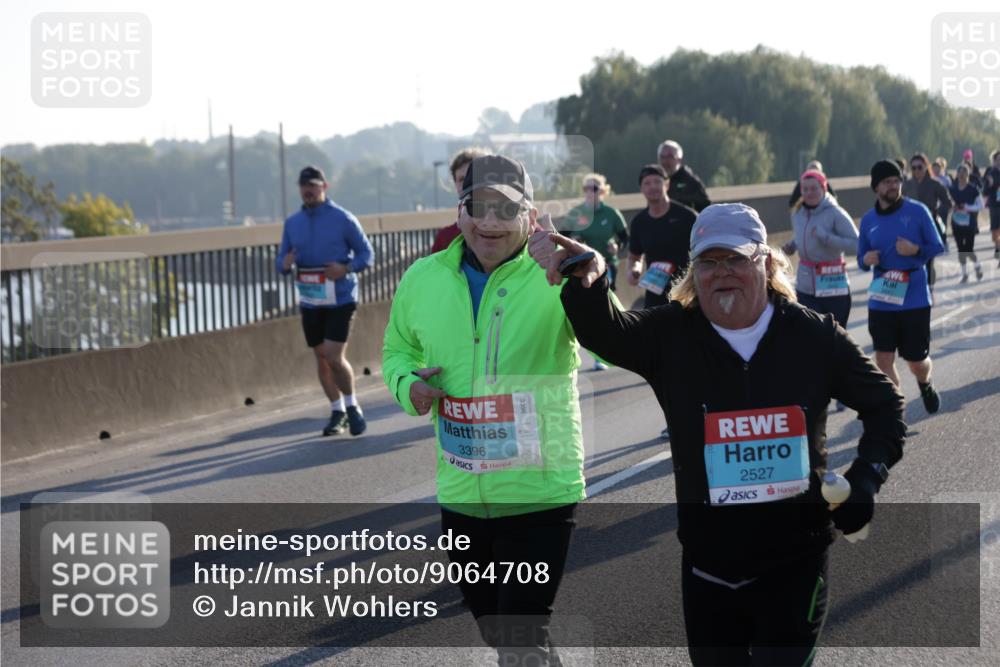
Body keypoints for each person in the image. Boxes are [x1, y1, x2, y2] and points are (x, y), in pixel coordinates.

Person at [532, 202, 906, 667]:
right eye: (708, 262)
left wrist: (866, 480)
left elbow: (885, 406)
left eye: (735, 258)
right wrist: (587, 279)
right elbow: (606, 331)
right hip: (709, 569)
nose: (721, 272)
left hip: (796, 561)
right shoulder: (672, 334)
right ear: (694, 271)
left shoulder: (814, 337)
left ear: (765, 262)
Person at [382, 155, 584, 666]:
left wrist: (587, 274)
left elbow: (613, 336)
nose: (490, 221)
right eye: (478, 206)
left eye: (506, 209)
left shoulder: (555, 274)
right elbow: (396, 349)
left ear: (530, 216)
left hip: (539, 492)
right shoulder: (424, 277)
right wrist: (408, 385)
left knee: (519, 638)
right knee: (500, 632)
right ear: (460, 210)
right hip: (462, 493)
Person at [276, 166, 374, 437]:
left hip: (341, 298)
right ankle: (337, 411)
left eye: (313, 185)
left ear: (324, 187)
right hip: (311, 300)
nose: (308, 190)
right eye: (304, 186)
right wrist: (284, 264)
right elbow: (281, 261)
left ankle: (352, 406)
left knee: (333, 355)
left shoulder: (342, 218)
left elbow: (367, 254)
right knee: (321, 358)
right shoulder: (292, 223)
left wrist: (346, 268)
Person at [858, 160, 944, 413]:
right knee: (883, 360)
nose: (893, 186)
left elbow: (937, 246)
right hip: (882, 296)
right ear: (876, 187)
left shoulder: (918, 211)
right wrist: (865, 259)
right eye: (887, 182)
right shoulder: (868, 220)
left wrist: (915, 250)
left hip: (914, 296)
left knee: (917, 362)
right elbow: (861, 258)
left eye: (897, 181)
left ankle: (925, 383)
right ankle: (896, 412)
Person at [559, 172, 628, 371]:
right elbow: (562, 237)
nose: (590, 192)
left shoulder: (612, 213)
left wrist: (617, 246)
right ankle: (596, 348)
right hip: (582, 269)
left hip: (607, 266)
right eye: (586, 188)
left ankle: (608, 349)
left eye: (594, 188)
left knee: (603, 302)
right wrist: (573, 242)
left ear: (603, 191)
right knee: (587, 306)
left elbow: (624, 237)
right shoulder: (576, 213)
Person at [782, 169, 858, 329]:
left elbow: (857, 244)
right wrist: (792, 245)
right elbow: (801, 234)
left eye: (814, 188)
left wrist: (827, 238)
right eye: (805, 189)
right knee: (810, 335)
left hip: (833, 285)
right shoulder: (797, 213)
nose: (809, 193)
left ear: (823, 189)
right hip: (805, 287)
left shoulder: (835, 213)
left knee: (834, 336)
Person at [627, 164, 698, 309]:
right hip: (655, 293)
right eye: (647, 183)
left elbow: (704, 248)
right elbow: (634, 256)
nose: (653, 186)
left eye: (657, 181)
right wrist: (634, 271)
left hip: (686, 291)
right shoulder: (639, 222)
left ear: (667, 184)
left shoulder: (687, 217)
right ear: (641, 189)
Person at [902, 153, 951, 287]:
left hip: (930, 226)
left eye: (920, 167)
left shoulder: (934, 184)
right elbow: (898, 203)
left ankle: (929, 287)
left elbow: (947, 202)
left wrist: (937, 213)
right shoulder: (907, 185)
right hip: (911, 227)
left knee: (928, 259)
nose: (917, 171)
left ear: (926, 167)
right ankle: (916, 285)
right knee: (911, 259)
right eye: (914, 168)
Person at [430, 147, 491, 254]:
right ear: (455, 184)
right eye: (462, 179)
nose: (467, 183)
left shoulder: (507, 231)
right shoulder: (445, 238)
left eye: (473, 176)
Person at [948, 163, 985, 283]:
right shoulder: (952, 189)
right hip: (956, 222)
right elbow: (947, 203)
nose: (962, 175)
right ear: (957, 174)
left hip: (969, 222)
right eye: (960, 173)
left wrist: (967, 207)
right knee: (960, 249)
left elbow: (981, 205)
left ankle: (977, 265)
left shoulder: (973, 189)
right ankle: (964, 274)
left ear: (968, 174)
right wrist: (953, 207)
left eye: (964, 173)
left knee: (968, 249)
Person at [658, 140, 711, 212]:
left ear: (679, 160)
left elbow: (706, 211)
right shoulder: (656, 182)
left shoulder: (691, 182)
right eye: (662, 157)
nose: (665, 161)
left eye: (670, 157)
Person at [984, 149, 1000, 264]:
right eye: (998, 159)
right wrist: (990, 184)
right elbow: (984, 191)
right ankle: (997, 246)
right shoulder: (990, 173)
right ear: (994, 161)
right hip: (994, 205)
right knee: (995, 232)